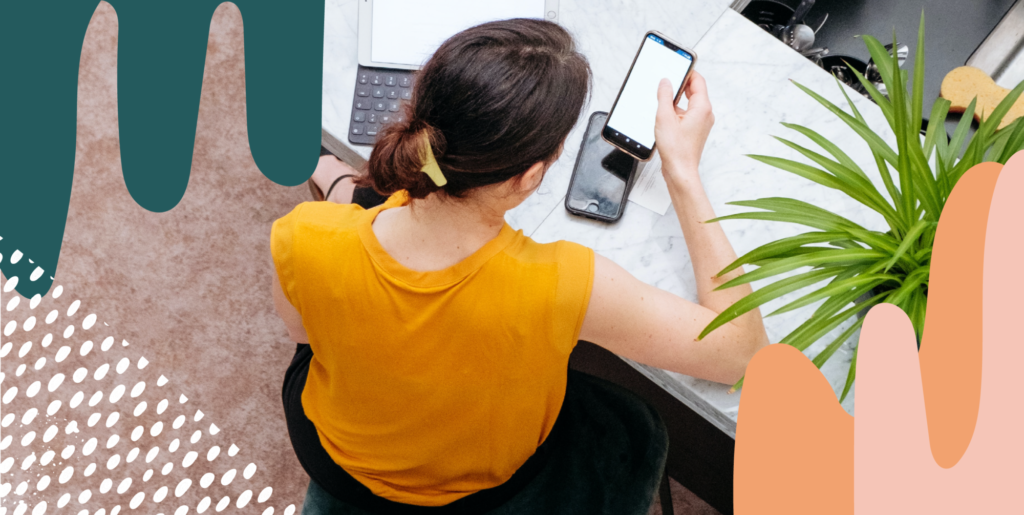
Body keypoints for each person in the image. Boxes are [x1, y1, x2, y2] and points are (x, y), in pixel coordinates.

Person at [272, 19, 769, 515]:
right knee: (627, 423)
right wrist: (682, 171)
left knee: (359, 199)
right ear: (531, 175)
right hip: (484, 490)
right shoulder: (560, 283)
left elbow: (305, 336)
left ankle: (335, 177)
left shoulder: (302, 234)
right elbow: (741, 354)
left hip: (333, 456)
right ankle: (343, 182)